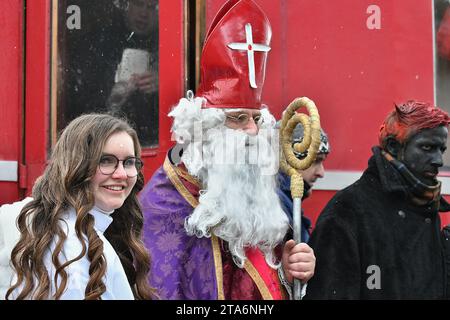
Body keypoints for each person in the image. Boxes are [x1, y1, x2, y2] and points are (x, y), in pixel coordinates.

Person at [139, 0, 315, 300]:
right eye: (238, 119)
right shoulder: (162, 205)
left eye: (257, 119)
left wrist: (287, 272)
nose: (252, 131)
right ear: (206, 128)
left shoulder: (256, 194)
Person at [304, 100, 450, 299]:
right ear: (393, 146)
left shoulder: (426, 208)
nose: (438, 161)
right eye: (427, 147)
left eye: (441, 149)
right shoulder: (348, 211)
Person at [0, 114, 155, 299]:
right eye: (105, 160)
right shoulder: (74, 247)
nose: (122, 174)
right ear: (76, 166)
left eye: (129, 162)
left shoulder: (62, 228)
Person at [64, 0, 159, 147]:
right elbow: (78, 105)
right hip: (104, 141)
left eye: (151, 7)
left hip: (152, 139)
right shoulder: (100, 44)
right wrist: (112, 99)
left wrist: (162, 83)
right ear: (125, 5)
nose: (144, 13)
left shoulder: (166, 46)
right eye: (138, 4)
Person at [277, 124, 331, 243]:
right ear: (288, 161)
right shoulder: (278, 207)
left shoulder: (285, 203)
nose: (321, 173)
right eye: (316, 161)